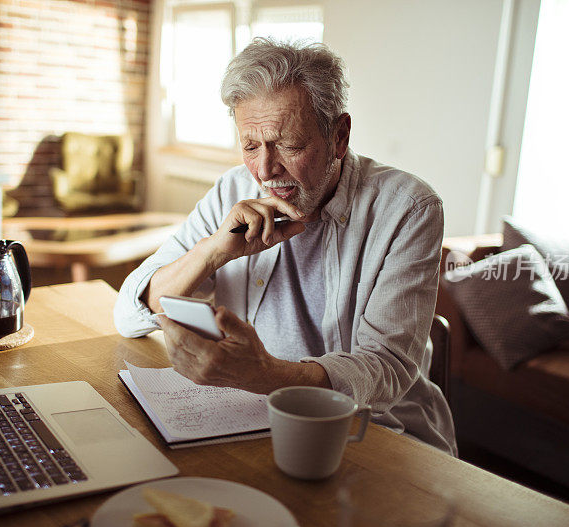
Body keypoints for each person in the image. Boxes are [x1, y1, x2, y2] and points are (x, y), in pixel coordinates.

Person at [114, 38, 456, 455]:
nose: (264, 171)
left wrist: (263, 374)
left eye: (289, 146)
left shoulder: (409, 208)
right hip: (254, 418)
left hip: (379, 433)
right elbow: (130, 314)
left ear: (339, 136)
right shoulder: (232, 191)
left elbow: (385, 370)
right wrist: (213, 251)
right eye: (250, 146)